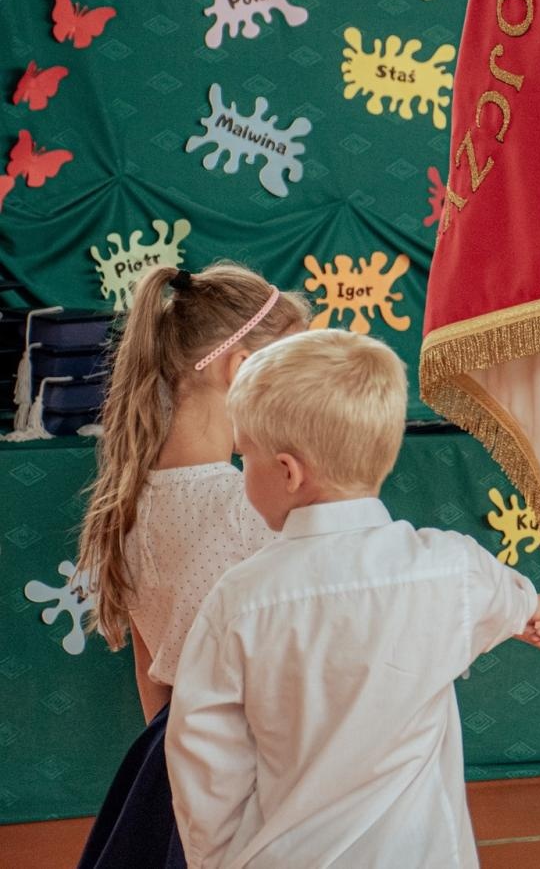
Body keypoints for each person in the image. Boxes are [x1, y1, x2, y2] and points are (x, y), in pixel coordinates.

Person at [165, 329, 540, 869]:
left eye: (245, 456)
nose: (241, 468)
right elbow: (510, 598)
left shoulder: (238, 601)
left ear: (288, 471)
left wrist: (216, 860)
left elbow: (204, 758)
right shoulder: (450, 568)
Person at [73, 264, 309, 869]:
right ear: (240, 368)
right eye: (292, 368)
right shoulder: (250, 506)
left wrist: (178, 769)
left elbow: (151, 672)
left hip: (177, 767)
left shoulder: (126, 505)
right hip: (258, 777)